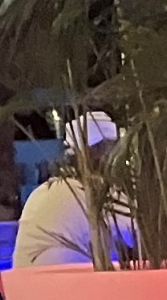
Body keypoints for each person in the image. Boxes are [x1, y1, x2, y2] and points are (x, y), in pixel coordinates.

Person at [9, 112, 136, 268]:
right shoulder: (91, 191)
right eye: (116, 149)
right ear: (99, 149)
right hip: (66, 279)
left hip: (24, 280)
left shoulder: (45, 190)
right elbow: (135, 233)